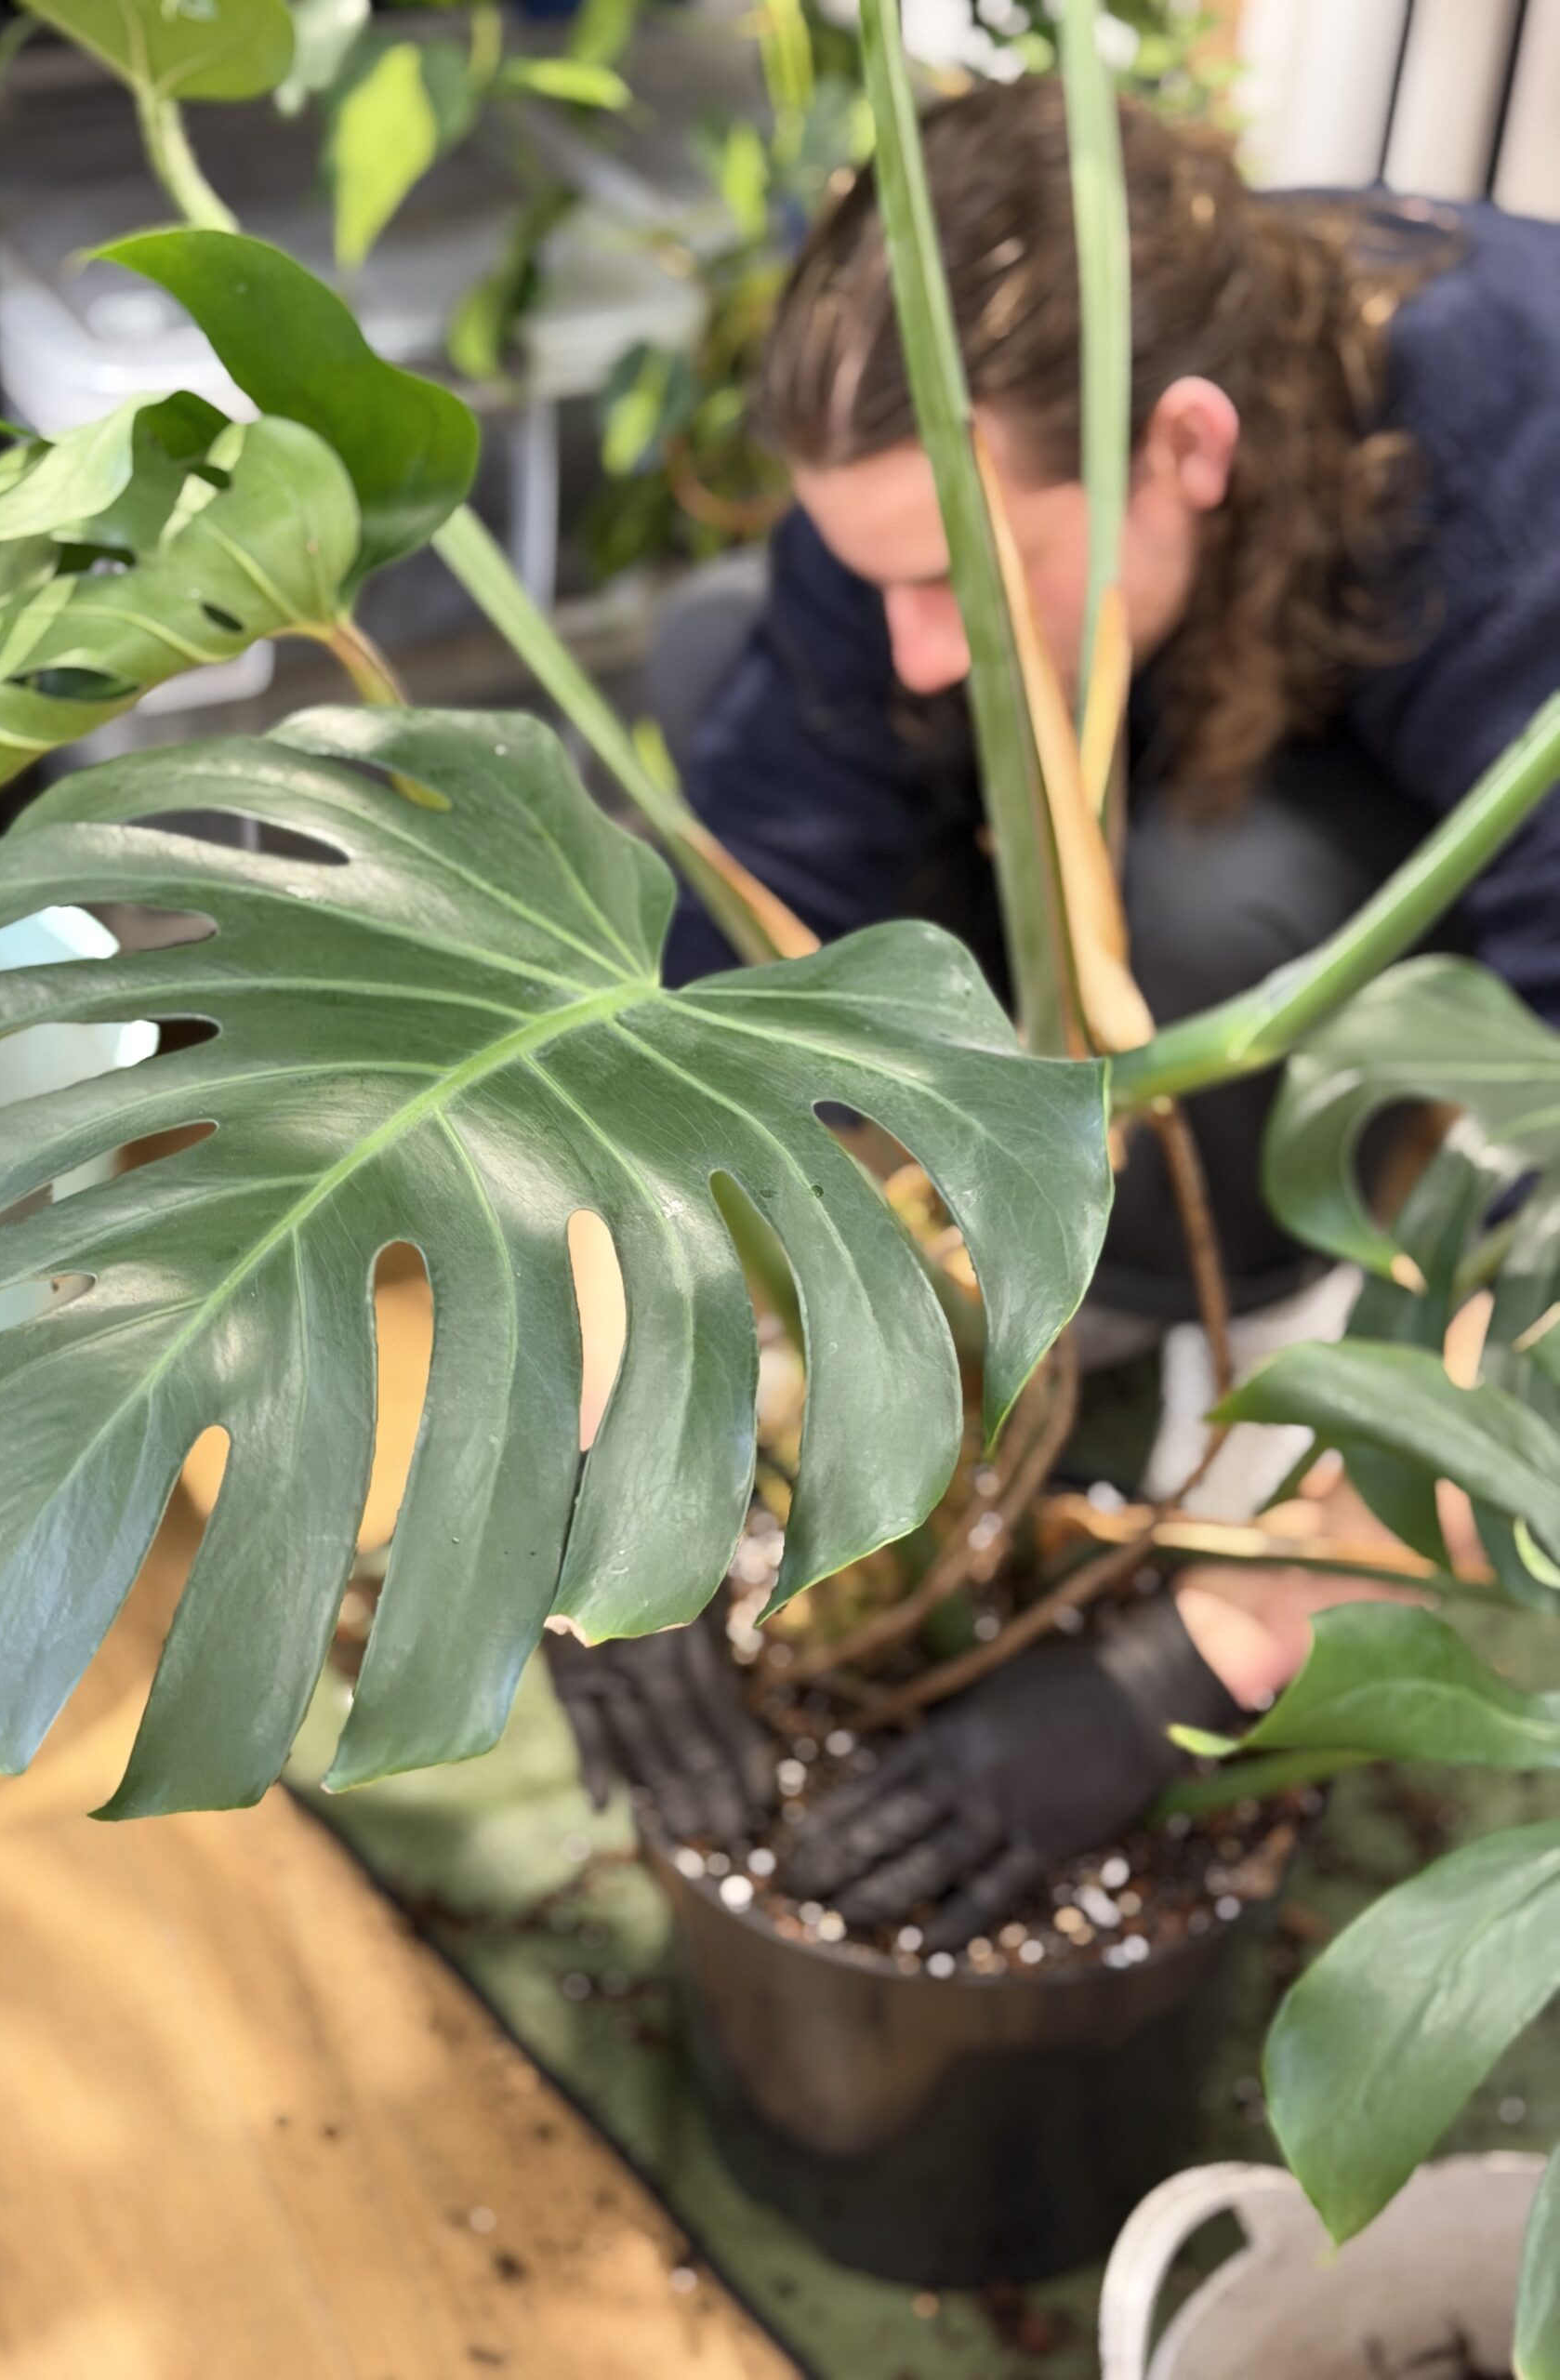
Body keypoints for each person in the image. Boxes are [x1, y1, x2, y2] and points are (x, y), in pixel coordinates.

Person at [551, 75, 1560, 1948]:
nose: (918, 638)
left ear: (1184, 445)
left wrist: (1213, 1638)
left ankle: (1180, 1267)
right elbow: (735, 969)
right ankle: (1038, 1265)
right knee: (727, 668)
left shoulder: (1510, 483)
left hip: (1345, 861)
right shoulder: (935, 476)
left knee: (1213, 905)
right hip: (1157, 737)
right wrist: (622, 1424)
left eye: (959, 575)